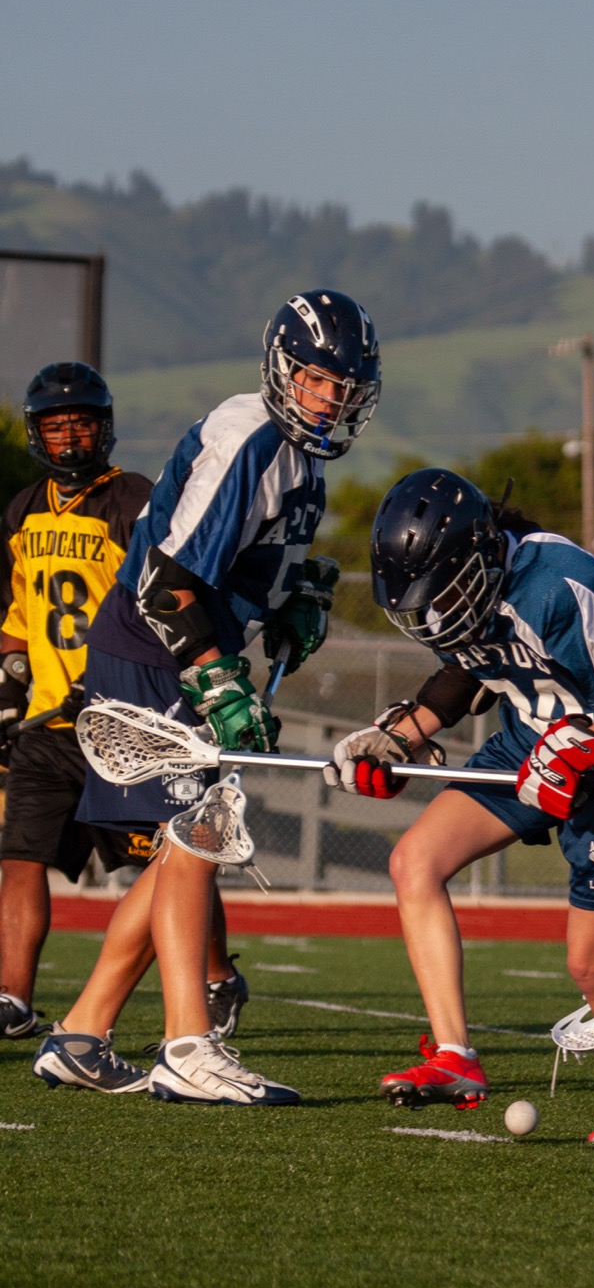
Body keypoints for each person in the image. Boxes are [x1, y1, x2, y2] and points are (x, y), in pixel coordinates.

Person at [34, 290, 381, 1104]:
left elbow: (241, 563)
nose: (329, 398)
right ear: (281, 369)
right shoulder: (250, 437)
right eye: (316, 379)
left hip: (179, 652)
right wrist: (218, 677)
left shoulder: (298, 453)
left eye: (343, 386)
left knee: (182, 850)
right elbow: (164, 581)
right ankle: (188, 1044)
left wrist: (290, 597)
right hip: (157, 650)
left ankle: (82, 1031)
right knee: (198, 838)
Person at [325, 467, 594, 1144]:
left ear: (484, 555)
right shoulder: (471, 587)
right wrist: (400, 737)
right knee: (415, 861)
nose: (434, 617)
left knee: (589, 963)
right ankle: (454, 1056)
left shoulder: (557, 584)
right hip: (530, 740)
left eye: (442, 596)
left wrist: (592, 745)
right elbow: (470, 669)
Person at [0, 362, 173, 1052]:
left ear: (104, 428)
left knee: (159, 866)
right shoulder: (22, 510)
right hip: (48, 722)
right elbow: (17, 614)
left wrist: (115, 671)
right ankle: (13, 998)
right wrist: (9, 687)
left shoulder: (133, 499)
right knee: (20, 855)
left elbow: (164, 598)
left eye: (81, 423)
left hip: (121, 721)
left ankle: (216, 977)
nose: (70, 438)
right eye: (56, 426)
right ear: (36, 433)